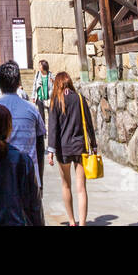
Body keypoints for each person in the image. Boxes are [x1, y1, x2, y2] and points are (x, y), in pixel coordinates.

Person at [46, 72, 97, 227]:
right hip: (80, 147)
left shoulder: (56, 101)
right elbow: (89, 124)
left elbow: (53, 128)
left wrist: (51, 151)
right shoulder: (80, 99)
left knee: (66, 184)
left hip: (63, 149)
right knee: (81, 188)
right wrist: (93, 145)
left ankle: (71, 221)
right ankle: (82, 223)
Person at [0, 61, 46, 186]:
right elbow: (40, 146)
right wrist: (39, 180)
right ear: (19, 83)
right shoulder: (32, 109)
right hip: (29, 178)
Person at [33, 60, 52, 124]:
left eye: (40, 65)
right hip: (40, 97)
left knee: (51, 115)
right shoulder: (38, 74)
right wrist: (33, 96)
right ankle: (42, 130)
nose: (39, 66)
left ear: (44, 66)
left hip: (48, 98)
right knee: (41, 115)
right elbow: (34, 86)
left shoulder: (50, 75)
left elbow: (53, 86)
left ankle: (51, 128)